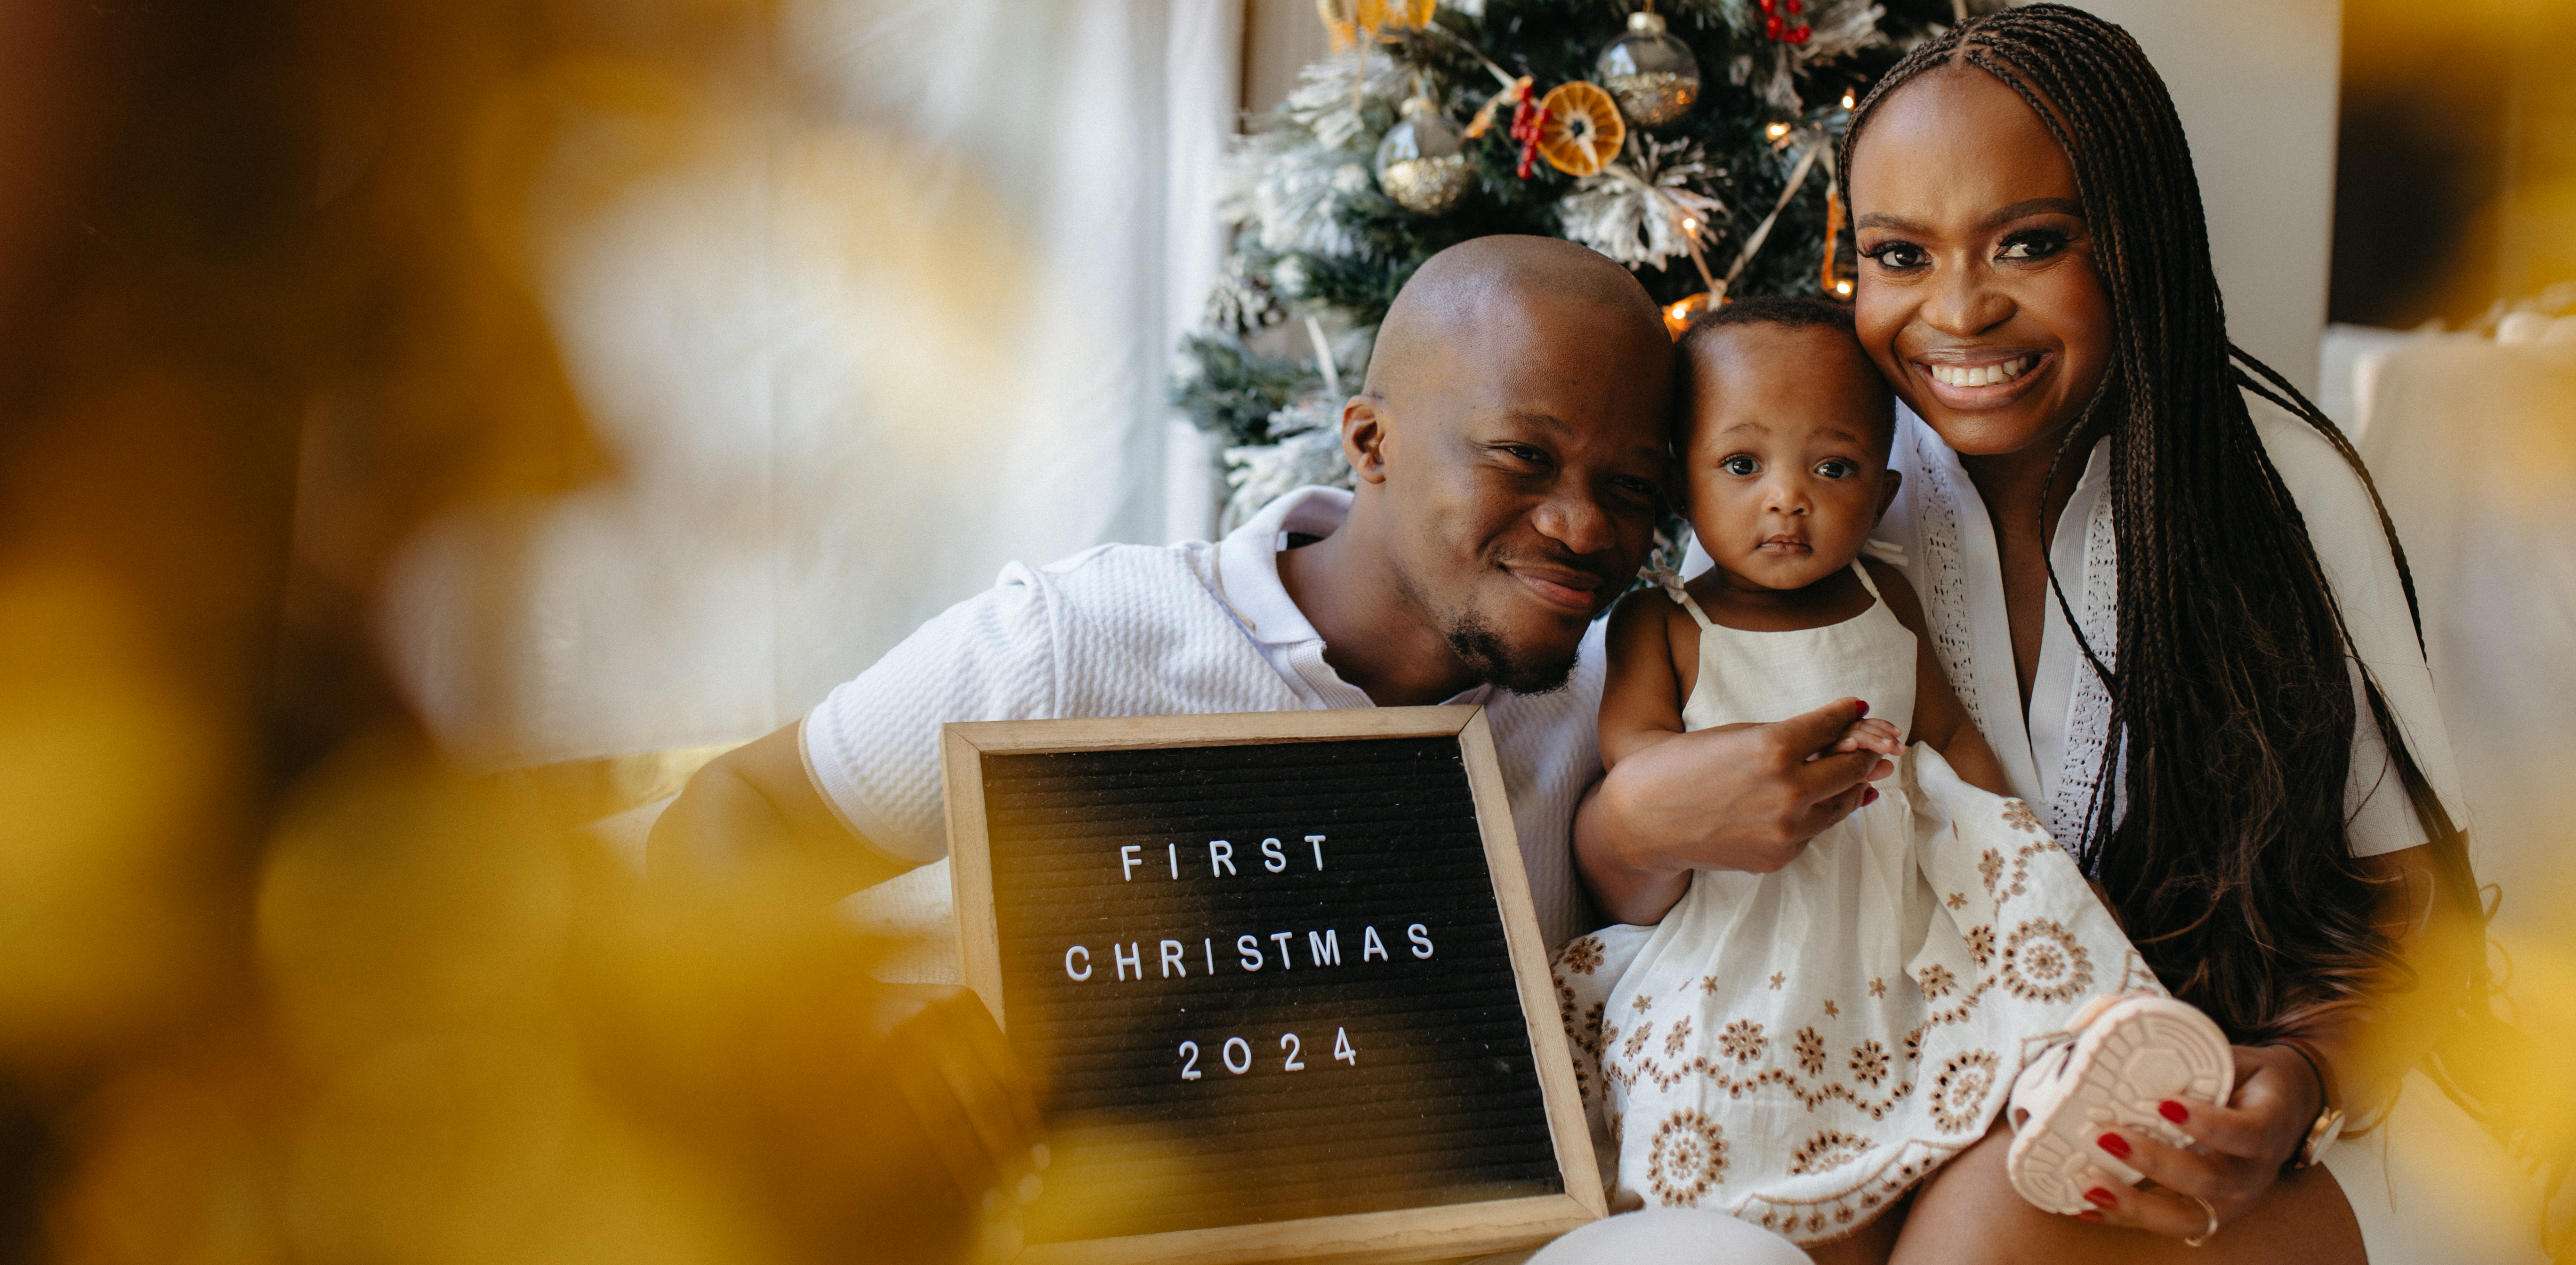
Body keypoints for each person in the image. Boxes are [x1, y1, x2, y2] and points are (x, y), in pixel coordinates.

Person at [652, 234, 1896, 1233]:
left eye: (1630, 488)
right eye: (1527, 457)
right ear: (1371, 442)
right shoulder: (1084, 635)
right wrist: (854, 1028)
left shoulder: (1610, 708)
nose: (1582, 527)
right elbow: (730, 819)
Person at [1567, 4, 2541, 1263]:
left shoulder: (2279, 487)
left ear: (2134, 239)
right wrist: (1637, 822)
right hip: (1911, 1080)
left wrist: (2291, 1086)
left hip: (2275, 1103)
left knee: (1992, 1228)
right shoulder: (1817, 471)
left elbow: (2412, 927)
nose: (1959, 313)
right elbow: (1670, 844)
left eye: (2028, 243)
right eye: (1901, 257)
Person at [1556, 294, 2169, 1257]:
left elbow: (1952, 734)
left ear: (1881, 498)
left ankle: (2083, 1082)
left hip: (1888, 910)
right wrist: (1713, 779)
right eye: (1743, 464)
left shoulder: (1888, 593)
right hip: (1741, 922)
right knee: (1718, 1092)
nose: (1787, 498)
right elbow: (1638, 757)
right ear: (1682, 486)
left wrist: (2033, 870)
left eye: (1832, 467)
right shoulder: (1665, 621)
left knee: (1963, 1059)